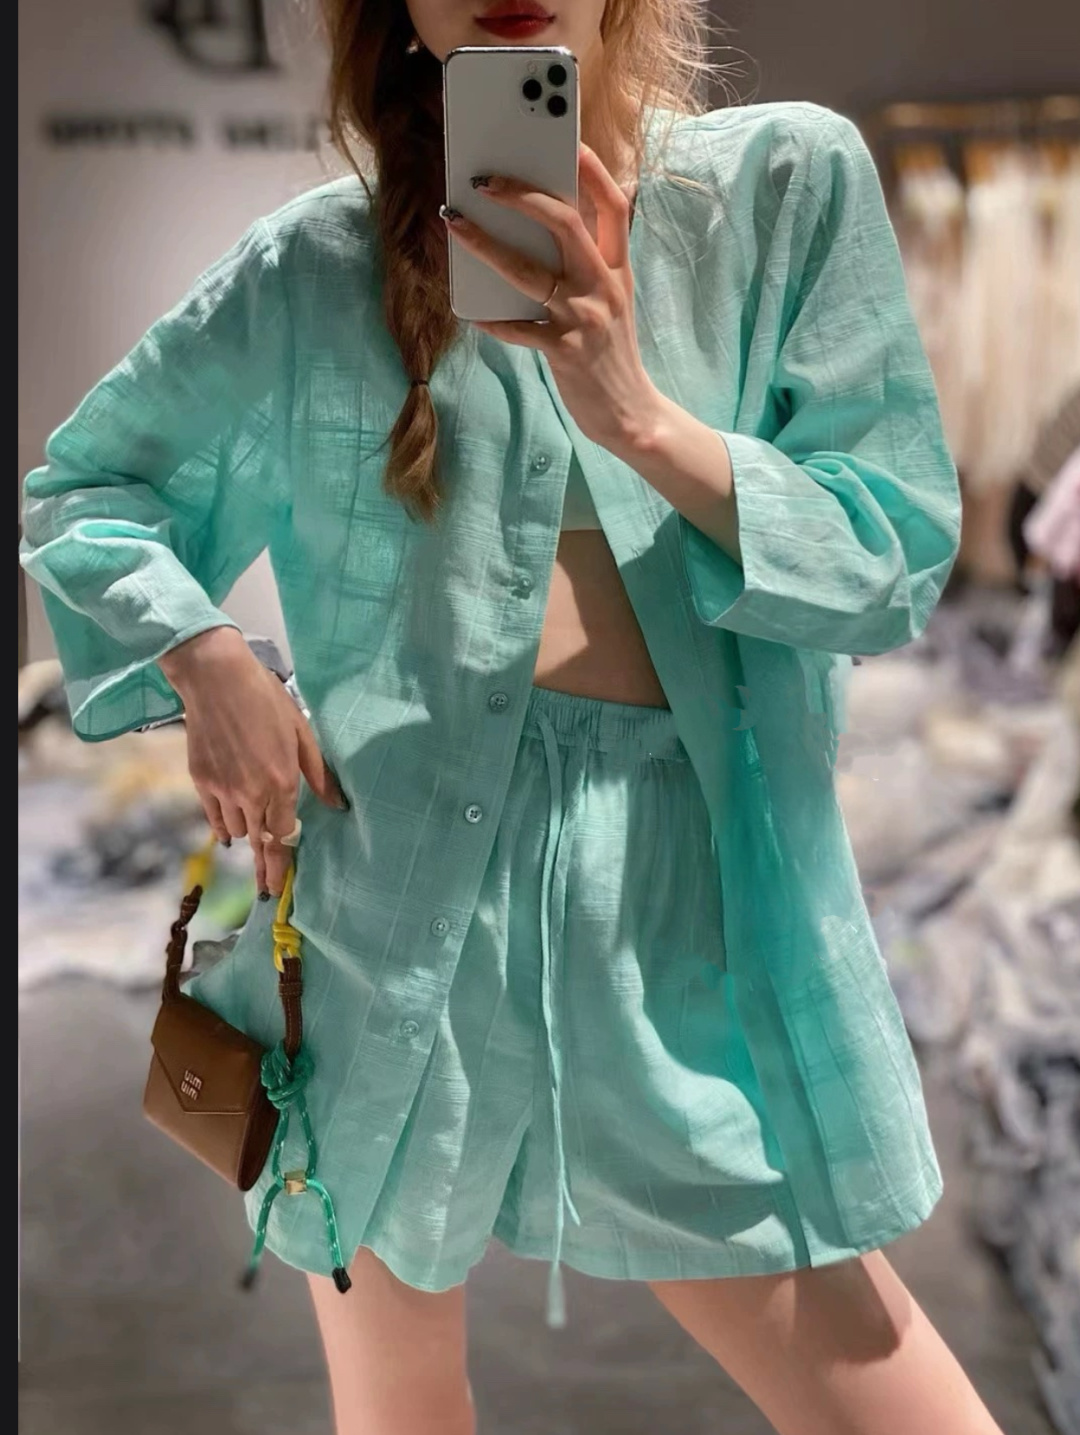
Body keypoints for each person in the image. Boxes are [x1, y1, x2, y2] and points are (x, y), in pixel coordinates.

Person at [19, 0, 1005, 1431]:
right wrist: (207, 654)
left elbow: (889, 554)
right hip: (391, 904)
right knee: (399, 1411)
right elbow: (86, 491)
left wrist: (641, 419)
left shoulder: (780, 188)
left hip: (679, 906)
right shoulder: (320, 266)